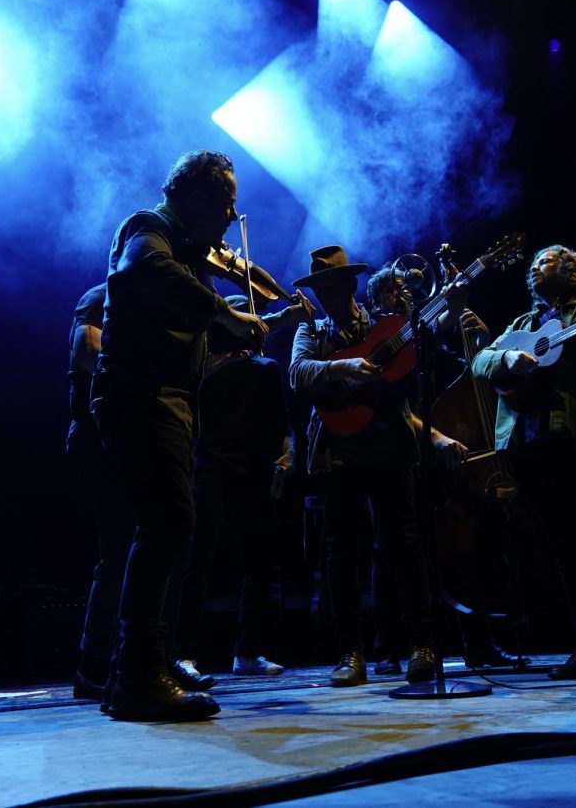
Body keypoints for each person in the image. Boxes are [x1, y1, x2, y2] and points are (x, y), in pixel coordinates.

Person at [90, 150, 268, 721]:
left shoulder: (186, 252)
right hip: (142, 397)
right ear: (195, 196)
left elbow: (178, 329)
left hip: (165, 398)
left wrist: (231, 325)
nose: (229, 218)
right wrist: (223, 312)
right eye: (226, 205)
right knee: (167, 525)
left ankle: (149, 663)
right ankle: (134, 678)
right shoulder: (149, 230)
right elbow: (146, 269)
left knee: (172, 529)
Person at [288, 245, 462, 687]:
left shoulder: (386, 325)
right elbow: (298, 373)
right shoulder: (311, 329)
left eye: (334, 284)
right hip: (337, 452)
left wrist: (453, 302)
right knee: (342, 554)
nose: (327, 294)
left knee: (405, 545)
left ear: (350, 285)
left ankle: (422, 645)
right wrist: (346, 366)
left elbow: (426, 339)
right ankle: (351, 652)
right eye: (321, 286)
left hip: (390, 446)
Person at [471, 244, 576, 680]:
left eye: (544, 262)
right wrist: (508, 357)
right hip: (533, 447)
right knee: (565, 552)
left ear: (571, 269)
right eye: (532, 265)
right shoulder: (524, 324)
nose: (534, 268)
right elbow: (480, 361)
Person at [364, 264, 527, 673]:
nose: (402, 294)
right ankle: (389, 648)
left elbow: (465, 372)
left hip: (447, 460)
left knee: (461, 553)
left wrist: (474, 333)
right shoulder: (377, 343)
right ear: (376, 301)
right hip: (398, 453)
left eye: (406, 289)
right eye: (392, 290)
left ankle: (478, 643)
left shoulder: (428, 341)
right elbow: (392, 402)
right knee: (394, 551)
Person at [171, 291, 313, 681]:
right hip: (212, 466)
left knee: (259, 563)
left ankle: (248, 652)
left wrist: (287, 455)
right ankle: (183, 652)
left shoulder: (265, 367)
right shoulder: (200, 366)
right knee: (201, 558)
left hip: (256, 470)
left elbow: (282, 421)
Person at [66, 282, 137, 700]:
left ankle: (140, 657)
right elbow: (86, 352)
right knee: (118, 549)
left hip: (135, 441)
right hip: (101, 438)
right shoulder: (102, 297)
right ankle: (93, 663)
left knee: (150, 547)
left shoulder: (152, 305)